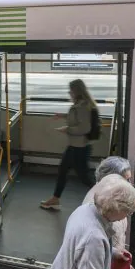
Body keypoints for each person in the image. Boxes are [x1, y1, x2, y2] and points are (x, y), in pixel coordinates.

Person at [44, 174, 135, 269]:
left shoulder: (84, 210)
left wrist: (113, 252)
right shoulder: (93, 237)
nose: (127, 217)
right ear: (116, 208)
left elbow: (82, 251)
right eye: (128, 212)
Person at [41, 79, 96, 210]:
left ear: (76, 91)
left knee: (84, 176)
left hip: (80, 147)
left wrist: (67, 129)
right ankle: (55, 199)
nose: (69, 93)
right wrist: (63, 116)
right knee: (63, 170)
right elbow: (76, 118)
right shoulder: (81, 104)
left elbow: (84, 128)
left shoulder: (83, 106)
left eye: (70, 90)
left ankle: (104, 196)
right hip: (75, 146)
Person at [82, 156, 132, 253]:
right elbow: (97, 249)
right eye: (127, 180)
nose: (130, 185)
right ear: (111, 179)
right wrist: (116, 254)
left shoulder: (106, 194)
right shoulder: (102, 205)